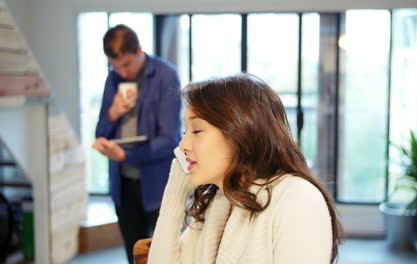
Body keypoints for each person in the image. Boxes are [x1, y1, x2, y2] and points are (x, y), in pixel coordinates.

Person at [147, 73, 342, 264]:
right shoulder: (220, 201)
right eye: (185, 131)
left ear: (241, 133)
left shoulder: (297, 199)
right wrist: (175, 193)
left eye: (196, 130)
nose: (182, 146)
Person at [92, 24, 181, 264]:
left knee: (164, 255)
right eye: (115, 66)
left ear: (140, 49)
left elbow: (169, 140)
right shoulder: (113, 79)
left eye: (127, 64)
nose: (123, 72)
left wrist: (126, 156)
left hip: (157, 184)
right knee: (134, 255)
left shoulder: (165, 75)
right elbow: (100, 132)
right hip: (124, 184)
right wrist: (112, 114)